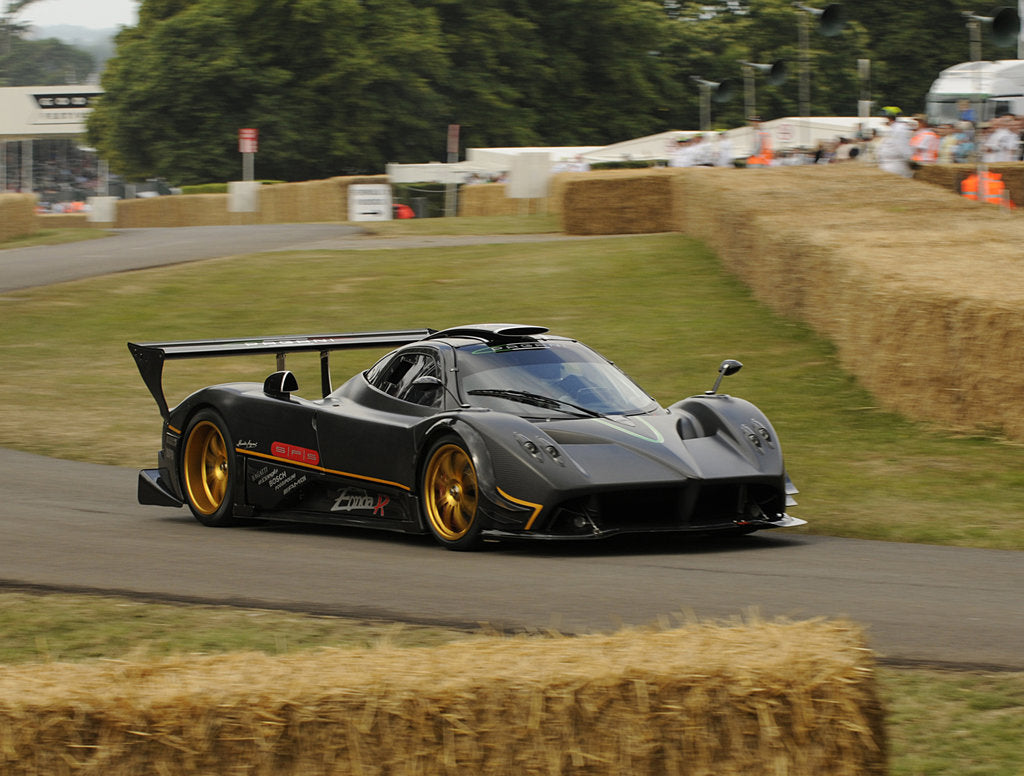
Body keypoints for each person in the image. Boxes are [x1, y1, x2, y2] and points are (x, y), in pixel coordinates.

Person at [876, 106, 913, 177]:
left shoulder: (900, 129)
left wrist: (909, 160)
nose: (883, 120)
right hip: (888, 163)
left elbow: (903, 147)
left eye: (885, 117)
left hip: (895, 165)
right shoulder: (893, 129)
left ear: (890, 118)